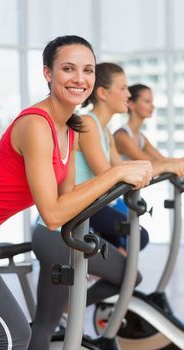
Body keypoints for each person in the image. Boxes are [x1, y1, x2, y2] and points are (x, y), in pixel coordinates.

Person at [0, 36, 152, 350]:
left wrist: (115, 182)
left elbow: (69, 200)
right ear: (48, 73)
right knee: (12, 337)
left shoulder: (69, 128)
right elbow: (52, 215)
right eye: (68, 69)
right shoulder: (36, 125)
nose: (80, 79)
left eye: (88, 70)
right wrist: (116, 173)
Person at [76, 63, 151, 252]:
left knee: (132, 246)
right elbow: (108, 175)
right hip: (80, 208)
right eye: (123, 88)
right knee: (138, 236)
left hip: (94, 205)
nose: (128, 94)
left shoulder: (105, 130)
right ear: (103, 93)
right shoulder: (87, 124)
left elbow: (120, 166)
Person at [114, 83, 184, 168]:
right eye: (147, 101)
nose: (152, 106)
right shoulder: (122, 136)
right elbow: (150, 163)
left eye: (152, 101)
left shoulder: (140, 137)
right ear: (131, 104)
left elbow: (162, 160)